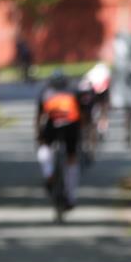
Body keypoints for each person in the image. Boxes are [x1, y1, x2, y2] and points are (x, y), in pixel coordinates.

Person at [36, 70, 81, 209]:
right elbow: (82, 115)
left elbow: (39, 117)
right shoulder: (74, 90)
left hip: (52, 125)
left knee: (44, 148)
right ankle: (71, 196)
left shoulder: (46, 92)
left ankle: (48, 174)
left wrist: (38, 135)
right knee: (72, 159)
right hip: (72, 126)